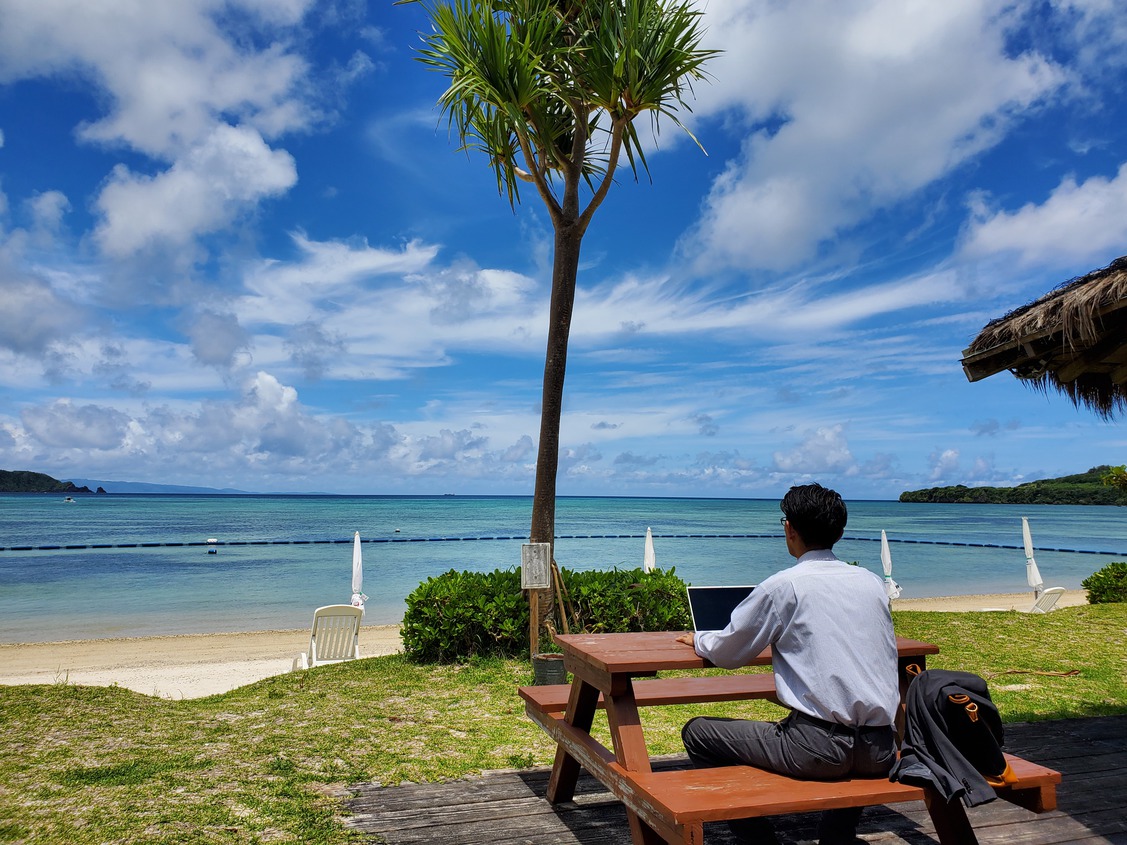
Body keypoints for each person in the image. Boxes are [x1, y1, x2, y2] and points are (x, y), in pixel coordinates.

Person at [676, 483, 900, 845]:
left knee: (699, 732)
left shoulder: (783, 586)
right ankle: (836, 834)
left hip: (816, 749)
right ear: (839, 532)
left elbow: (731, 652)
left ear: (789, 528)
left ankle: (757, 838)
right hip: (880, 748)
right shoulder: (871, 583)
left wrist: (700, 639)